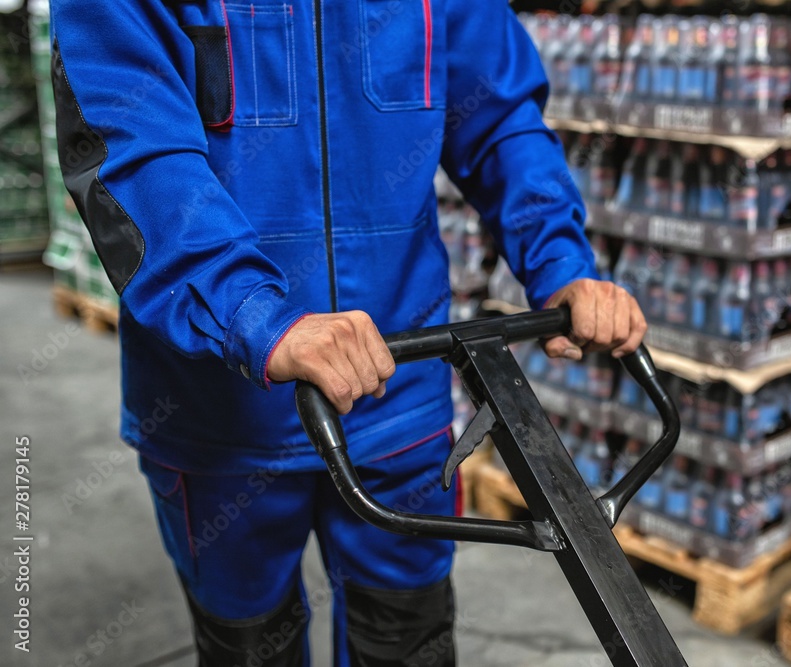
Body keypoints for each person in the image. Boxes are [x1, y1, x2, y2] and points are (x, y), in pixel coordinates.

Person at [52, 1, 646, 665]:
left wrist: (559, 259)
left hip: (399, 394)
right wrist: (253, 313)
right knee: (249, 645)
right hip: (219, 412)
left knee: (408, 637)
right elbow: (131, 150)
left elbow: (499, 114)